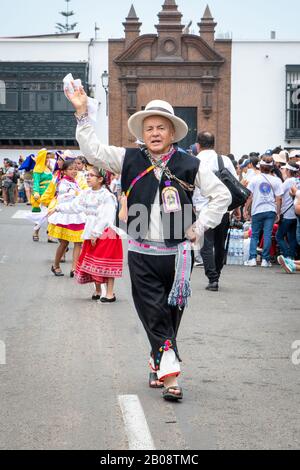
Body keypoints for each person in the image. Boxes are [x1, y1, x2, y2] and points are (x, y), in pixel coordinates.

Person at [66, 85, 231, 402]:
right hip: (142, 254)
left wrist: (199, 225)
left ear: (172, 132)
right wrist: (82, 114)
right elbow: (93, 151)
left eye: (161, 128)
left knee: (170, 317)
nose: (155, 133)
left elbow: (221, 196)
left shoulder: (190, 164)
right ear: (143, 132)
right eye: (149, 128)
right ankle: (172, 377)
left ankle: (158, 360)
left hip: (179, 257)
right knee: (154, 315)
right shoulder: (127, 158)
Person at [49, 166, 123, 301]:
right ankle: (98, 290)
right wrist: (57, 208)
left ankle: (110, 293)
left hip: (105, 233)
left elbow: (107, 216)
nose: (87, 177)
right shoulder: (86, 193)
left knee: (105, 263)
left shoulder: (107, 196)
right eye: (87, 175)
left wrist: (96, 232)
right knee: (92, 263)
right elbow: (74, 206)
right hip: (91, 232)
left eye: (91, 175)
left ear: (100, 179)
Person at [194, 132, 238, 292]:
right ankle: (217, 274)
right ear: (214, 144)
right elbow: (235, 184)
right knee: (220, 244)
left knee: (206, 244)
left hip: (203, 209)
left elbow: (190, 186)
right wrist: (235, 208)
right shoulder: (224, 160)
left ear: (198, 145)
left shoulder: (195, 161)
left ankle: (212, 279)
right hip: (223, 208)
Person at [244, 155, 283, 267]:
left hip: (257, 210)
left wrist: (245, 209)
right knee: (267, 234)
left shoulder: (255, 179)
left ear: (260, 166)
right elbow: (279, 198)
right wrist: (278, 212)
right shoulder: (276, 180)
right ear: (271, 168)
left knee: (255, 235)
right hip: (270, 210)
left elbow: (249, 196)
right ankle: (265, 260)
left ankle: (252, 259)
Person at [48, 160, 85, 277]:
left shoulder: (75, 182)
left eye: (75, 168)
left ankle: (74, 268)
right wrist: (74, 193)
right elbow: (64, 196)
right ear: (64, 171)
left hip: (77, 215)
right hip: (65, 215)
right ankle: (56, 265)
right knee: (64, 243)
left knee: (78, 242)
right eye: (71, 169)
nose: (74, 171)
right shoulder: (63, 183)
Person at [276, 162, 300, 259]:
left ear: (289, 171)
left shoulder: (288, 181)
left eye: (285, 169)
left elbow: (279, 195)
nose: (284, 171)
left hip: (287, 214)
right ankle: (293, 257)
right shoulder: (298, 180)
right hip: (296, 214)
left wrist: (278, 212)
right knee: (292, 237)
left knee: (279, 236)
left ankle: (288, 256)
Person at [31, 149, 53, 242]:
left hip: (51, 194)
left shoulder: (49, 168)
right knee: (42, 215)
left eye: (48, 157)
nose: (47, 159)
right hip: (42, 195)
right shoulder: (38, 168)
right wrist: (36, 192)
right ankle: (35, 231)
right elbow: (36, 182)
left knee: (51, 215)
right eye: (46, 157)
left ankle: (50, 235)